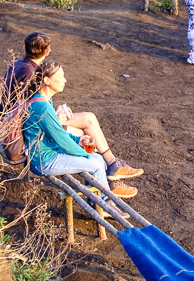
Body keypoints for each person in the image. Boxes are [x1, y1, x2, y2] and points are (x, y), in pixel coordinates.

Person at [21, 61, 138, 198]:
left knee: (98, 158)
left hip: (50, 152)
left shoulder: (44, 101)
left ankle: (99, 199)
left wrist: (78, 140)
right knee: (95, 164)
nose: (65, 80)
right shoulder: (42, 107)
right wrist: (85, 155)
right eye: (60, 77)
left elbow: (58, 133)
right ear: (46, 80)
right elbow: (62, 140)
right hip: (44, 161)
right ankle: (106, 202)